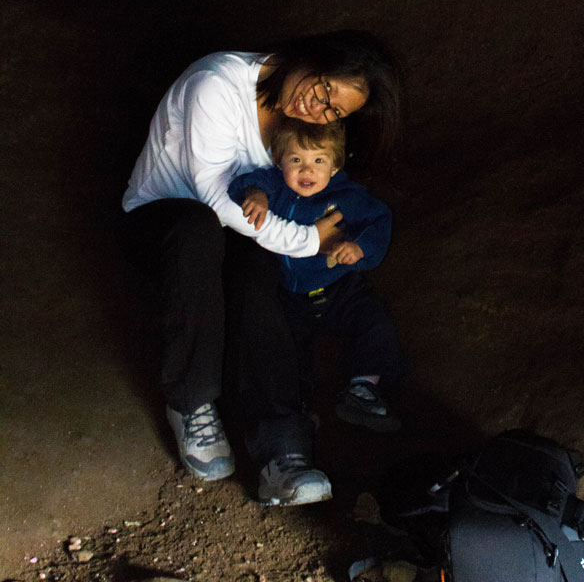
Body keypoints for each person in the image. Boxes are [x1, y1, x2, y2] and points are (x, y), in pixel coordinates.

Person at [120, 30, 401, 507]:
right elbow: (215, 200)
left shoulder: (305, 128)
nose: (318, 109)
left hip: (240, 236)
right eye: (326, 88)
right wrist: (311, 240)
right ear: (312, 56)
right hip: (166, 226)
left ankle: (283, 450)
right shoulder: (218, 84)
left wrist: (330, 245)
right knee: (198, 228)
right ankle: (192, 401)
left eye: (335, 112)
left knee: (263, 271)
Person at [228, 118, 405, 440]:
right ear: (280, 161)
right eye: (296, 160)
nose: (306, 170)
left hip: (342, 288)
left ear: (335, 167)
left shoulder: (349, 196)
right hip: (290, 295)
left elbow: (379, 220)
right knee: (288, 350)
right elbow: (246, 182)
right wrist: (256, 195)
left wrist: (359, 247)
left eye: (318, 160)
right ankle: (300, 409)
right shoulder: (275, 185)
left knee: (374, 322)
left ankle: (363, 388)